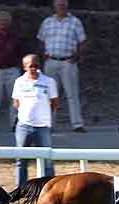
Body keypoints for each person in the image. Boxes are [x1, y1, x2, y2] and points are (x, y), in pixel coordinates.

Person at [37, 0, 87, 132]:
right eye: (59, 5)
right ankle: (48, 124)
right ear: (54, 6)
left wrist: (76, 57)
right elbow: (41, 40)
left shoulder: (75, 22)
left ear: (67, 6)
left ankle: (77, 124)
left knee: (72, 94)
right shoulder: (47, 22)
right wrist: (44, 56)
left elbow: (82, 41)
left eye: (63, 5)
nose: (61, 7)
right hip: (51, 62)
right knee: (49, 94)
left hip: (68, 63)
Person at [12, 54, 58, 187]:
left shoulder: (49, 81)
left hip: (43, 127)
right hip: (23, 127)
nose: (33, 68)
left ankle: (50, 188)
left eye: (36, 65)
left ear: (39, 65)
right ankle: (20, 189)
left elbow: (54, 103)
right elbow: (16, 102)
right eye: (30, 66)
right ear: (24, 67)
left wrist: (42, 115)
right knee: (21, 160)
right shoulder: (19, 82)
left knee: (47, 160)